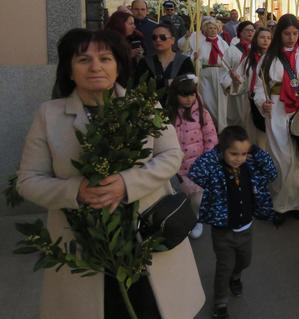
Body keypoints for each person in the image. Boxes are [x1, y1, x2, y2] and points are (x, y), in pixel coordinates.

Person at [16, 28, 204, 318]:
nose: (95, 67)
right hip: (84, 246)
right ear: (68, 70)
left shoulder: (143, 105)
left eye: (105, 58)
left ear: (118, 66)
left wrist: (126, 184)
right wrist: (75, 191)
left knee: (150, 308)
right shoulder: (48, 115)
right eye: (83, 60)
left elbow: (170, 156)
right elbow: (28, 181)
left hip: (146, 236)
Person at [188, 126, 278, 319]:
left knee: (245, 261)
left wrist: (254, 150)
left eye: (244, 153)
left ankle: (236, 277)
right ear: (223, 151)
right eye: (233, 153)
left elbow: (272, 172)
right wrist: (216, 152)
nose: (239, 158)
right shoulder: (215, 170)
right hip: (223, 232)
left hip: (246, 230)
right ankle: (220, 303)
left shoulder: (251, 167)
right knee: (224, 267)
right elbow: (196, 172)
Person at [253, 14, 299, 222]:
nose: (291, 37)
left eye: (295, 33)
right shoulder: (268, 58)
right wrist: (262, 103)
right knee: (282, 158)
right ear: (279, 34)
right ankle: (279, 203)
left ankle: (297, 203)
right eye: (287, 33)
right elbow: (260, 88)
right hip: (277, 111)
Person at [167, 74, 218, 240]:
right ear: (175, 95)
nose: (189, 99)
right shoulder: (169, 116)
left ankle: (196, 219)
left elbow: (211, 138)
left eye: (192, 94)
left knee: (197, 199)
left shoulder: (203, 114)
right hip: (177, 168)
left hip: (198, 167)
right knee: (181, 196)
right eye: (184, 95)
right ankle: (183, 218)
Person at [179, 17, 232, 132]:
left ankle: (222, 127)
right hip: (205, 74)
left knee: (221, 102)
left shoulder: (223, 43)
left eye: (214, 28)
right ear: (205, 30)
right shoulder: (200, 43)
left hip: (220, 73)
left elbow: (228, 58)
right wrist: (194, 57)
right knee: (207, 100)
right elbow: (190, 55)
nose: (212, 30)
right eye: (210, 28)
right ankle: (210, 125)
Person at [133, 23, 195, 102]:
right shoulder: (144, 62)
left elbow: (189, 86)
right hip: (150, 108)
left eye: (163, 37)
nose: (158, 40)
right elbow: (139, 87)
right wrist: (168, 83)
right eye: (154, 37)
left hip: (178, 109)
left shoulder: (184, 61)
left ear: (172, 40)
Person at [235, 27, 271, 149]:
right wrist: (236, 79)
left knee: (267, 137)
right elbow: (241, 79)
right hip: (250, 101)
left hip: (269, 102)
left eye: (268, 38)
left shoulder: (275, 59)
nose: (265, 40)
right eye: (262, 37)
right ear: (256, 39)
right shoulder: (248, 59)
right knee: (252, 134)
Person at [224, 21, 255, 128]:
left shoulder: (257, 50)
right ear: (240, 32)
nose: (250, 32)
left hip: (253, 91)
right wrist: (232, 81)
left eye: (252, 30)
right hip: (237, 91)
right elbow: (224, 71)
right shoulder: (231, 50)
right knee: (238, 120)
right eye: (247, 30)